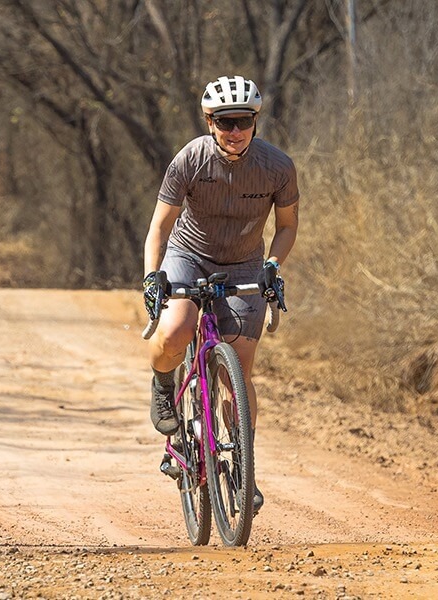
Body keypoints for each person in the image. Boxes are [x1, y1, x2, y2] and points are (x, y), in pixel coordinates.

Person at [142, 74, 299, 444]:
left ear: (255, 122)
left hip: (244, 262)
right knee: (176, 331)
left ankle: (244, 466)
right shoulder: (190, 159)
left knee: (238, 378)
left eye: (243, 121)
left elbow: (288, 226)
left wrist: (272, 264)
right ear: (209, 122)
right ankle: (164, 386)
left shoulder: (277, 166)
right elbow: (159, 227)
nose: (235, 130)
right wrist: (152, 276)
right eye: (225, 122)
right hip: (188, 255)